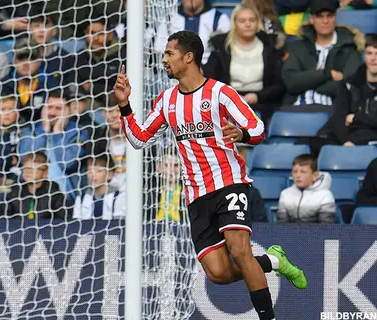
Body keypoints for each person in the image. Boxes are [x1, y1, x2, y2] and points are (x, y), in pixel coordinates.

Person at [113, 30, 307, 320]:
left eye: (169, 54)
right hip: (195, 194)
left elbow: (257, 128)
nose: (164, 59)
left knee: (240, 251)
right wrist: (124, 104)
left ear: (188, 57)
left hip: (229, 183)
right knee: (217, 273)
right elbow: (140, 139)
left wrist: (242, 134)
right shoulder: (166, 101)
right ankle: (273, 260)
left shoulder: (220, 93)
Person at [203, 4, 286, 123]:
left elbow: (279, 85)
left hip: (262, 102)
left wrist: (257, 97)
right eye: (242, 21)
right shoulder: (220, 47)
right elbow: (210, 81)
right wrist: (231, 98)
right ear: (234, 23)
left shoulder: (270, 47)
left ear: (257, 22)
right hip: (226, 103)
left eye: (252, 20)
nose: (248, 24)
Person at [277, 154, 336, 223]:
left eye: (303, 172)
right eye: (295, 172)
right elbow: (281, 224)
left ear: (315, 176)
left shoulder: (325, 195)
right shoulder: (285, 194)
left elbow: (326, 227)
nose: (298, 175)